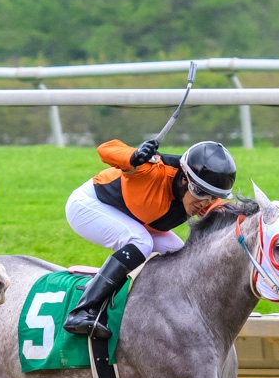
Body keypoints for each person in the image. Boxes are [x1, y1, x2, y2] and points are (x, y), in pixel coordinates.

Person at [63, 138, 236, 339]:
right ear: (183, 179)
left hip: (137, 221)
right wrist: (134, 156)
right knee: (140, 242)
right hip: (88, 206)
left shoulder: (201, 200)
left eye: (212, 196)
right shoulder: (152, 169)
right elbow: (105, 149)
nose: (204, 203)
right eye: (200, 192)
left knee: (180, 255)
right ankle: (82, 311)